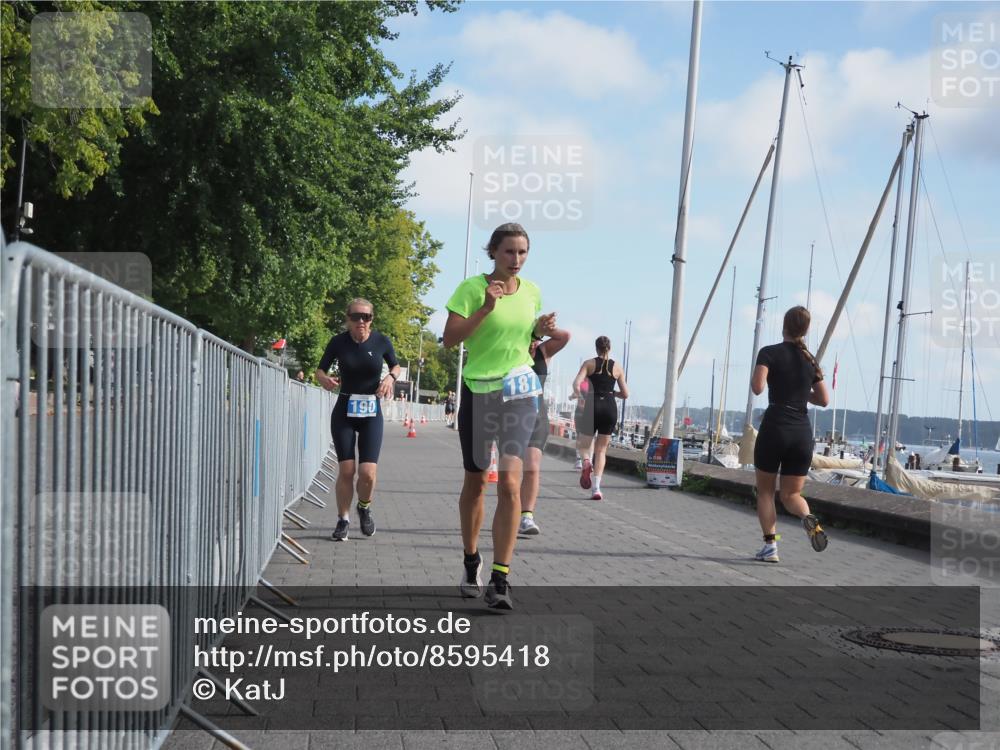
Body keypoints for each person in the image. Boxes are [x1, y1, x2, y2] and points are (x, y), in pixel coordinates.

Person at [443, 222, 556, 610]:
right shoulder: (472, 289)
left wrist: (538, 331)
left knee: (509, 482)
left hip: (518, 392)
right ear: (493, 252)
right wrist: (486, 308)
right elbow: (450, 339)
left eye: (522, 252)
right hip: (480, 391)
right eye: (509, 251)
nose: (516, 259)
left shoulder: (532, 291)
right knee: (476, 483)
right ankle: (471, 559)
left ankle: (500, 579)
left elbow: (523, 341)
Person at [315, 299, 401, 542]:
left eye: (366, 317)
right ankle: (343, 519)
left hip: (371, 412)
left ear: (372, 319)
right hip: (344, 410)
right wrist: (323, 379)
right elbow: (319, 370)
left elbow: (396, 366)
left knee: (367, 473)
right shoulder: (338, 342)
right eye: (356, 317)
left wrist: (390, 378)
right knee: (347, 470)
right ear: (348, 319)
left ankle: (364, 507)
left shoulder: (381, 341)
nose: (361, 321)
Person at [750, 305, 830, 563]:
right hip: (801, 432)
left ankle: (770, 547)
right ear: (806, 330)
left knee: (765, 492)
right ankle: (808, 519)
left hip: (776, 427)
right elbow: (824, 399)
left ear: (784, 325)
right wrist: (800, 392)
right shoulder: (810, 360)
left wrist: (774, 381)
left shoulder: (769, 352)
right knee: (791, 495)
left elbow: (758, 387)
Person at [519, 326, 571, 536]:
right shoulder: (511, 350)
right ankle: (508, 511)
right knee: (509, 473)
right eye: (530, 337)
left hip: (537, 416)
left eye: (537, 337)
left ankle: (526, 516)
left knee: (532, 467)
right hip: (511, 417)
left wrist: (541, 328)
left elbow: (565, 336)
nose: (534, 341)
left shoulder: (543, 351)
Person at [572, 337, 629, 500]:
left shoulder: (589, 364)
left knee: (584, 446)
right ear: (609, 348)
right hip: (609, 408)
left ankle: (586, 461)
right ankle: (596, 488)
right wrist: (613, 393)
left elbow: (576, 383)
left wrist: (579, 394)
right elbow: (625, 394)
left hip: (592, 406)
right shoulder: (617, 367)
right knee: (602, 450)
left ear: (596, 348)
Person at [570, 378, 591, 469]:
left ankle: (579, 460)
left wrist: (571, 397)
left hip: (580, 411)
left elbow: (575, 394)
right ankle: (589, 460)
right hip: (590, 412)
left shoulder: (581, 383)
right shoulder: (594, 383)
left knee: (579, 436)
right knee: (590, 437)